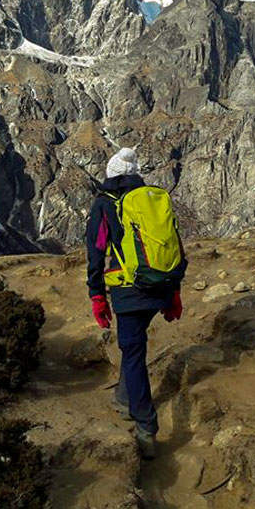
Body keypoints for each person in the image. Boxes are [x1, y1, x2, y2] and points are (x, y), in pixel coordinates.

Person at [84, 147, 186, 460]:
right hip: (161, 288)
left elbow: (96, 252)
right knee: (135, 347)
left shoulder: (104, 204)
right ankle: (125, 397)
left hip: (129, 292)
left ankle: (145, 426)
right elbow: (173, 244)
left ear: (110, 175)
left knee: (132, 355)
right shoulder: (152, 201)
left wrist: (97, 294)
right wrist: (174, 291)